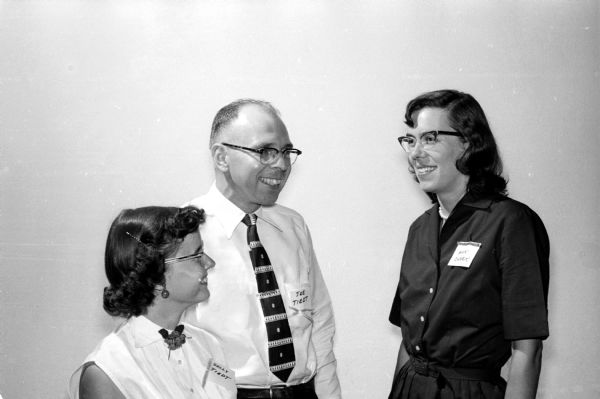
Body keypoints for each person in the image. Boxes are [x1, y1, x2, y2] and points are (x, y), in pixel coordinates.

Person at [388, 89, 550, 399]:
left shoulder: (510, 223)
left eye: (430, 138)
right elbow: (409, 344)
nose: (415, 152)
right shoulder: (419, 229)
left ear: (468, 143)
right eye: (410, 140)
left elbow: (527, 349)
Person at [182, 99, 341, 399]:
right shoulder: (184, 231)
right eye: (265, 151)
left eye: (285, 152)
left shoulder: (292, 226)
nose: (281, 164)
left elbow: (319, 320)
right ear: (221, 157)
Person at [69, 206, 237, 399]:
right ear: (155, 275)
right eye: (196, 255)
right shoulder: (107, 370)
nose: (210, 263)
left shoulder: (209, 344)